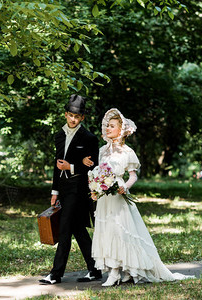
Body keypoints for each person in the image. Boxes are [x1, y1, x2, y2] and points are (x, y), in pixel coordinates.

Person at [83, 108, 194, 287]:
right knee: (107, 231)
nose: (108, 129)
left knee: (120, 232)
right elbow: (98, 173)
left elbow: (133, 176)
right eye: (107, 126)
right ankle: (115, 270)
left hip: (118, 196)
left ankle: (118, 272)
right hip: (104, 198)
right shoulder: (102, 151)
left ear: (121, 130)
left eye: (112, 126)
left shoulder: (127, 152)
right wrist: (95, 188)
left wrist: (124, 188)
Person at [39, 94, 102, 285]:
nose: (73, 119)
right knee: (78, 229)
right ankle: (95, 269)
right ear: (66, 114)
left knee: (65, 229)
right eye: (70, 115)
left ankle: (56, 274)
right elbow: (56, 165)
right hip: (64, 190)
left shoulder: (89, 138)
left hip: (79, 190)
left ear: (82, 117)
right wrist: (54, 192)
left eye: (77, 116)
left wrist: (72, 167)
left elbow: (95, 166)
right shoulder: (59, 136)